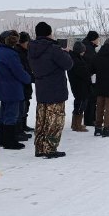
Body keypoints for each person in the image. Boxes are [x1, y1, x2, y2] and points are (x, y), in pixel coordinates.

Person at [28, 22, 73, 158]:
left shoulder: (31, 48)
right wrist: (64, 52)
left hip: (41, 88)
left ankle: (40, 147)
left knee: (42, 120)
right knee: (55, 120)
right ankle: (50, 148)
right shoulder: (53, 48)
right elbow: (68, 64)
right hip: (56, 89)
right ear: (49, 33)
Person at [0, 30, 33, 150]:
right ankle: (10, 142)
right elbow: (18, 71)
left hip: (2, 87)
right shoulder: (11, 54)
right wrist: (28, 78)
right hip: (12, 88)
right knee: (11, 115)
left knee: (4, 114)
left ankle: (3, 140)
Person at [67, 41, 91, 132]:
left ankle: (76, 124)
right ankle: (77, 125)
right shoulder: (76, 60)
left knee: (79, 104)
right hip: (80, 86)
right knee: (80, 104)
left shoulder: (75, 58)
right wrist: (89, 75)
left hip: (79, 86)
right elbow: (83, 73)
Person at [15, 31, 34, 139]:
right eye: (28, 42)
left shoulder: (25, 52)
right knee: (21, 107)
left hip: (26, 83)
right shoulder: (18, 52)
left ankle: (23, 125)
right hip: (22, 83)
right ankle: (19, 129)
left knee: (26, 105)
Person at [81, 30, 100, 127]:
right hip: (89, 77)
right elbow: (91, 62)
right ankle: (89, 120)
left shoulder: (88, 46)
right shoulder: (88, 49)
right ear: (93, 39)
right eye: (97, 39)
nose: (98, 41)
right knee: (91, 99)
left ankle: (92, 118)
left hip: (89, 77)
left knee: (91, 99)